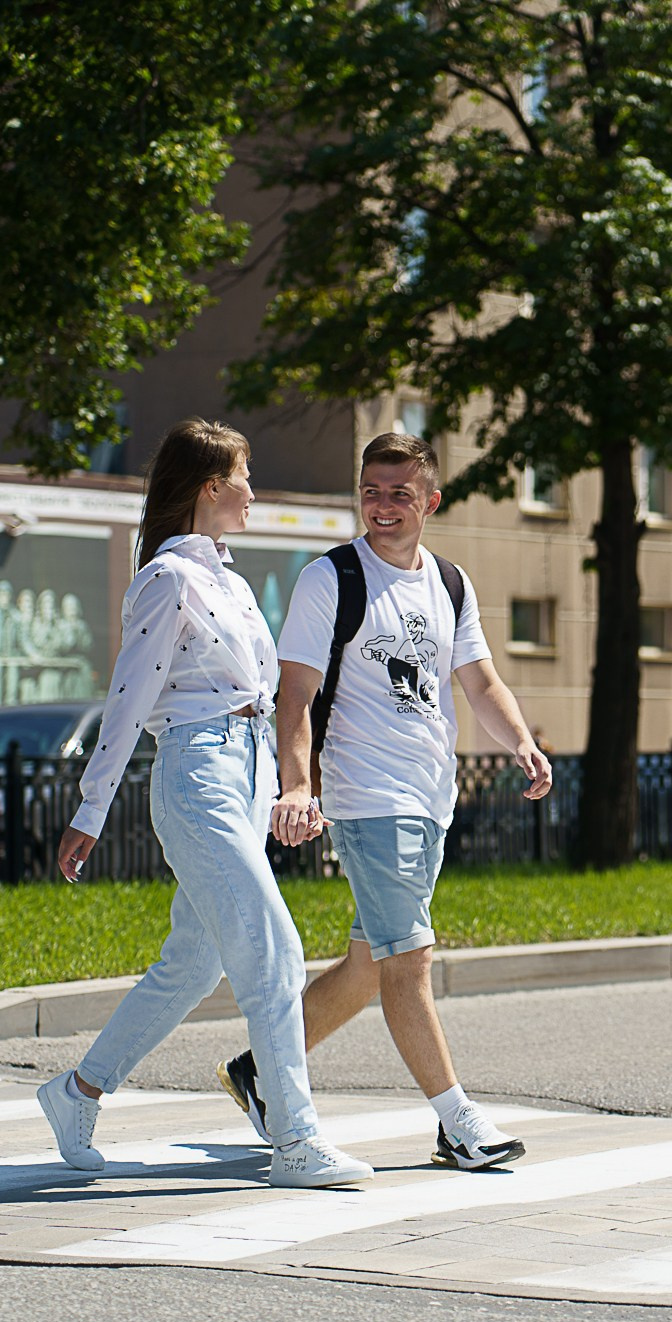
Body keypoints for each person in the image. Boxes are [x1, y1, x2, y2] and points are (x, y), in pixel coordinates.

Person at [40, 419, 371, 1191]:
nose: (254, 493)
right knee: (273, 949)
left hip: (243, 774)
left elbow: (267, 692)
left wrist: (290, 783)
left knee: (193, 962)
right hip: (197, 776)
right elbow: (128, 698)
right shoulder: (168, 579)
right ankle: (295, 1139)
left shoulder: (230, 579)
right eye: (244, 478)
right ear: (210, 489)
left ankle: (77, 1092)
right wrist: (91, 809)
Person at [224, 431, 553, 1172]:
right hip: (369, 794)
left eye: (399, 493)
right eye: (371, 490)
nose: (381, 505)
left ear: (429, 501)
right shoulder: (330, 579)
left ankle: (259, 1069)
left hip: (430, 796)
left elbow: (480, 682)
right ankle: (455, 1121)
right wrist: (299, 784)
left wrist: (522, 741)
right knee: (410, 960)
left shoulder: (449, 582)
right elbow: (297, 693)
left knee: (371, 964)